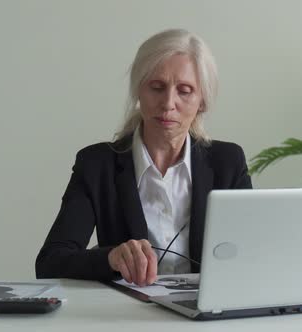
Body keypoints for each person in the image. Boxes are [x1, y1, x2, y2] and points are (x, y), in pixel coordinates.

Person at [35, 29, 252, 287]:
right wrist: (111, 259)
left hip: (205, 314)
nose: (168, 103)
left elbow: (255, 253)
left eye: (184, 91)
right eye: (157, 87)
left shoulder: (228, 162)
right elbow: (50, 262)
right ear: (139, 90)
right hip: (127, 317)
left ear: (202, 101)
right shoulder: (96, 164)